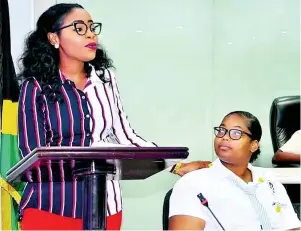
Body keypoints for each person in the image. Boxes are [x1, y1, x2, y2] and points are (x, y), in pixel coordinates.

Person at [17, 3, 209, 230]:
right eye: (79, 28)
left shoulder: (105, 79)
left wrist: (176, 167)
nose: (90, 33)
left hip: (105, 206)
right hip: (52, 208)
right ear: (54, 38)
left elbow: (125, 135)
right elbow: (32, 153)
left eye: (92, 27)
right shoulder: (35, 87)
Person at [168, 111, 301, 230]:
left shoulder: (269, 181)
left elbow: (291, 227)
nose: (224, 137)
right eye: (221, 130)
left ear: (253, 145)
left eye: (236, 133)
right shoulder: (193, 183)